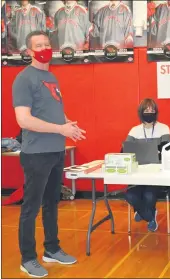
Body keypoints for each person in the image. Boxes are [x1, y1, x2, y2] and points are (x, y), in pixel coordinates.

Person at [12, 30, 86, 278]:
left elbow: (54, 109)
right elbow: (24, 120)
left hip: (56, 151)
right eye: (38, 45)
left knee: (52, 203)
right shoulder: (24, 79)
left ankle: (51, 249)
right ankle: (28, 258)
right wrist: (59, 128)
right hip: (36, 154)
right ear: (29, 52)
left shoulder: (52, 77)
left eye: (46, 44)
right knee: (31, 208)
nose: (44, 48)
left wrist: (68, 125)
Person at [124, 98, 170, 232]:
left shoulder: (163, 128)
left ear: (156, 112)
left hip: (157, 174)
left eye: (152, 110)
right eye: (146, 110)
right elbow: (126, 151)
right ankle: (149, 215)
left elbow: (167, 150)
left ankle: (142, 211)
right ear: (141, 112)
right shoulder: (134, 130)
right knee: (130, 195)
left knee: (149, 196)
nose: (149, 112)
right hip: (137, 174)